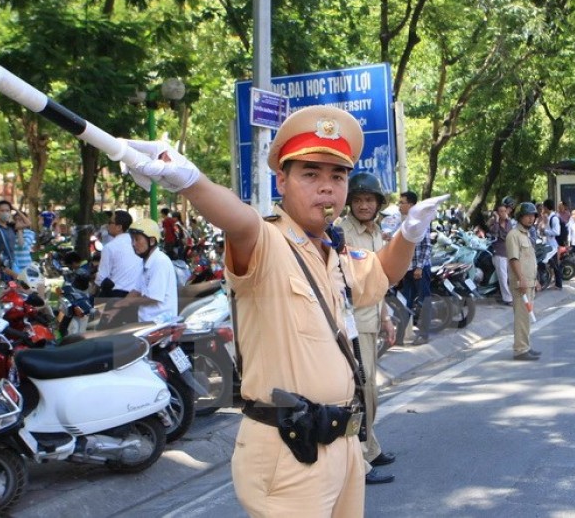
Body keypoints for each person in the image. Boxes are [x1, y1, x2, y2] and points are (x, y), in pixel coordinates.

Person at [119, 105, 443, 517]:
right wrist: (191, 181)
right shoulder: (269, 240)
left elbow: (381, 273)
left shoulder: (333, 251)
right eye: (311, 174)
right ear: (282, 181)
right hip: (291, 448)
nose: (327, 188)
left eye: (337, 176)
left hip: (342, 444)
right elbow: (239, 222)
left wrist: (410, 233)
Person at [339, 172, 397, 485]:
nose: (364, 205)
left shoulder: (376, 233)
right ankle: (358, 462)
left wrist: (387, 317)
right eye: (359, 199)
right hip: (352, 324)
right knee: (362, 391)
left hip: (373, 319)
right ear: (351, 202)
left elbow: (380, 280)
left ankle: (370, 447)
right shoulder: (341, 232)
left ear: (377, 204)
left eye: (369, 200)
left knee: (370, 389)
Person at [506, 202, 541, 361]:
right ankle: (520, 349)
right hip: (521, 284)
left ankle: (525, 346)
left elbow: (530, 260)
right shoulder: (513, 235)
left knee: (526, 317)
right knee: (521, 317)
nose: (531, 219)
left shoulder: (526, 235)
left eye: (533, 216)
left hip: (530, 282)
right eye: (528, 216)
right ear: (520, 217)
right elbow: (514, 259)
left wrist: (536, 280)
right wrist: (521, 279)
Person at [126, 218, 178, 322]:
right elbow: (136, 290)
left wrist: (126, 303)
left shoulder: (159, 261)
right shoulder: (147, 261)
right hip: (147, 322)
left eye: (137, 239)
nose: (133, 244)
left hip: (159, 325)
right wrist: (116, 307)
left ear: (152, 241)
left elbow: (152, 298)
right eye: (132, 240)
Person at [398, 190, 433, 346]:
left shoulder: (420, 221)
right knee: (405, 301)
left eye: (401, 202)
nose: (399, 205)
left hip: (420, 268)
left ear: (410, 205)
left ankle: (423, 334)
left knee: (424, 301)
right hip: (407, 268)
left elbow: (426, 246)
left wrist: (419, 267)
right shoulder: (404, 221)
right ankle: (399, 336)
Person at [93, 210, 143, 297]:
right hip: (138, 295)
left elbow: (101, 277)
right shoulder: (137, 244)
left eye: (110, 222)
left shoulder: (110, 247)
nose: (107, 225)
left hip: (116, 295)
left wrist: (92, 291)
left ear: (119, 227)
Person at [487, 204, 513, 305]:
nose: (503, 213)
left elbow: (509, 235)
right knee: (502, 277)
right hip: (498, 252)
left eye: (504, 211)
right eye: (500, 211)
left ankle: (512, 295)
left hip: (508, 252)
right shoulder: (494, 223)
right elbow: (494, 233)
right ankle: (507, 298)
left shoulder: (508, 222)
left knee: (510, 276)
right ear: (497, 213)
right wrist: (497, 220)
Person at [542, 199, 564, 289]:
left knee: (555, 265)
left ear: (546, 207)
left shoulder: (554, 218)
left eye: (544, 206)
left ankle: (558, 284)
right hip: (549, 244)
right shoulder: (549, 217)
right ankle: (556, 283)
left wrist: (545, 231)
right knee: (553, 265)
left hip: (553, 245)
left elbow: (557, 232)